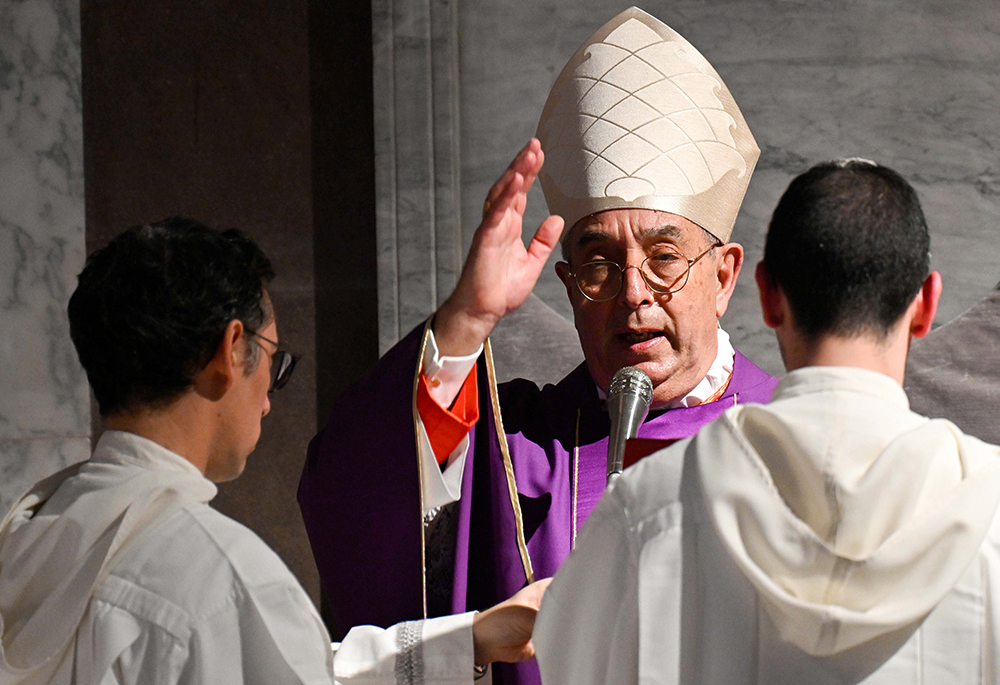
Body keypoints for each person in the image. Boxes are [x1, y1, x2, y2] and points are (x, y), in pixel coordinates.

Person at [299, 9, 777, 684]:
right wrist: (467, 316)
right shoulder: (519, 447)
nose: (633, 292)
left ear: (724, 275)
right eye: (600, 264)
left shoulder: (793, 438)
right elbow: (348, 497)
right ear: (569, 285)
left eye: (664, 257)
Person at [0, 217, 549, 685]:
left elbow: (313, 670)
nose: (267, 399)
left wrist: (468, 638)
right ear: (231, 349)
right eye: (274, 360)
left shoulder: (30, 529)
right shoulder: (222, 580)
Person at [533, 159, 1000, 684]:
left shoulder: (650, 504)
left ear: (765, 296)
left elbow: (568, 665)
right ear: (925, 304)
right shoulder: (992, 506)